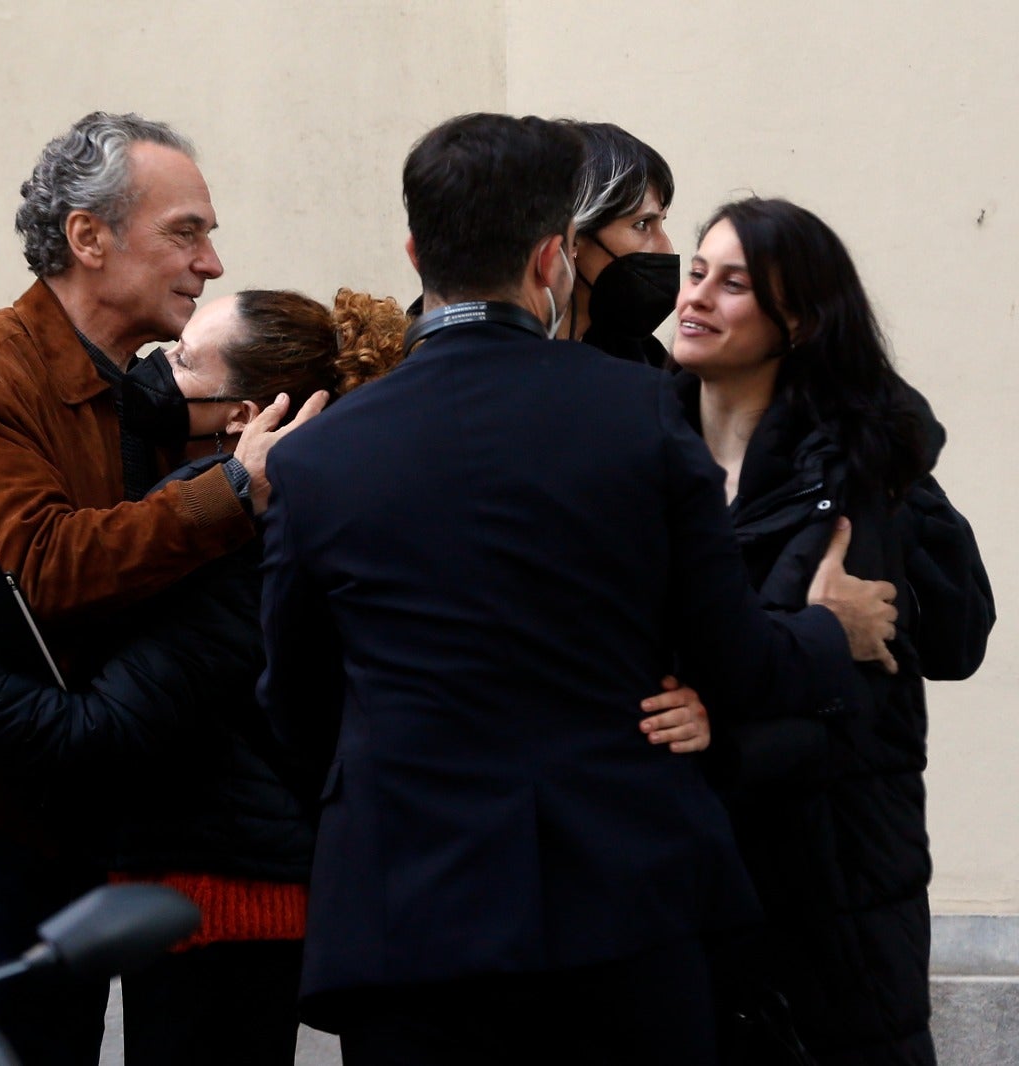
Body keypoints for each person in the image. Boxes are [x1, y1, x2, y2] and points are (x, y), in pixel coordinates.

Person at [255, 112, 901, 1065]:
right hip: (622, 901)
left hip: (408, 916)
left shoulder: (321, 457)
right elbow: (732, 654)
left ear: (414, 249)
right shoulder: (637, 410)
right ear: (551, 258)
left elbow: (293, 703)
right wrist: (824, 628)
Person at [0, 112, 321, 1065]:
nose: (210, 262)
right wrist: (231, 494)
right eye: (186, 231)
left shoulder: (153, 398)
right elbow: (37, 569)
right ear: (88, 237)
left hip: (92, 821)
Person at [672, 197, 995, 1064]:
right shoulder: (645, 455)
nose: (694, 298)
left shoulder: (852, 473)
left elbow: (856, 698)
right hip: (691, 868)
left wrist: (716, 732)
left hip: (836, 872)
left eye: (732, 283)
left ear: (800, 320)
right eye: (695, 272)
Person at [559, 120, 678, 366]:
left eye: (661, 223)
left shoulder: (645, 359)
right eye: (642, 224)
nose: (666, 248)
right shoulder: (507, 362)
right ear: (573, 237)